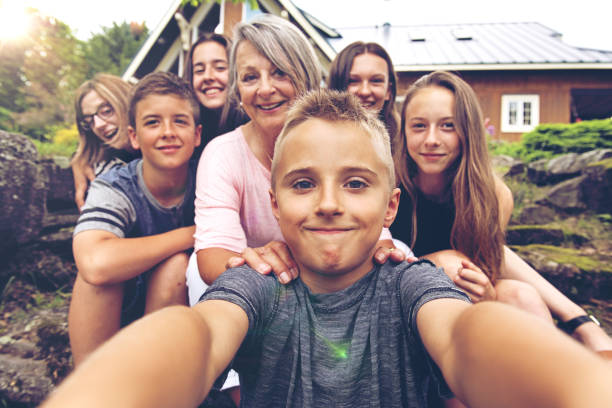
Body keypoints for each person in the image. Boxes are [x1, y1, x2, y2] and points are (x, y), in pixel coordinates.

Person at [42, 89, 612, 408]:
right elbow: (198, 336)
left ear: (391, 208)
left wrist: (577, 387)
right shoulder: (256, 284)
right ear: (274, 203)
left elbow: (468, 338)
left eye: (356, 183)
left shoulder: (410, 281)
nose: (329, 204)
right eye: (304, 183)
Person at [390, 71, 612, 352]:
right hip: (398, 300)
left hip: (461, 304)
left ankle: (553, 378)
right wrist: (443, 264)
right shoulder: (389, 185)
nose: (431, 139)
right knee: (452, 263)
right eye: (418, 126)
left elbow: (490, 264)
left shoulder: (491, 196)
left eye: (448, 126)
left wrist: (486, 290)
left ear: (468, 131)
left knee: (522, 295)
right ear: (404, 130)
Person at [67, 71, 201, 366]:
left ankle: (149, 382)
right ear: (134, 136)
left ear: (198, 134)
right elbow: (95, 262)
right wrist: (194, 232)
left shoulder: (209, 175)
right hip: (122, 298)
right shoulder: (113, 182)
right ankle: (94, 387)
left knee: (176, 267)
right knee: (96, 278)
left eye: (179, 121)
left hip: (184, 304)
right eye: (153, 122)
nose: (167, 131)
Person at [72, 74, 139, 209]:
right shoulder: (107, 173)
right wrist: (78, 159)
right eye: (89, 121)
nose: (98, 125)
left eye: (106, 111)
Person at [183, 32, 249, 154]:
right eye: (199, 70)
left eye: (220, 67)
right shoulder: (184, 132)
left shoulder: (252, 128)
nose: (208, 77)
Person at [327, 41, 400, 144]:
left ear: (388, 90)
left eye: (376, 81)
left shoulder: (406, 146)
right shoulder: (315, 140)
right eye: (353, 81)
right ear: (337, 86)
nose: (365, 91)